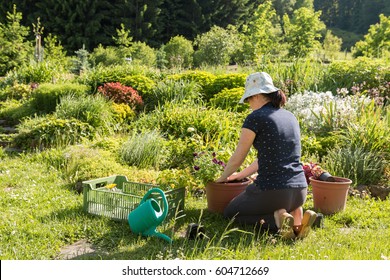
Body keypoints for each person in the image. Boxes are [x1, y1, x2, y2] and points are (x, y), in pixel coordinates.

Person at [216, 72, 317, 239]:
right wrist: (239, 176)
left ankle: (276, 220)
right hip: (300, 191)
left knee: (230, 213)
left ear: (256, 96)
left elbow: (238, 157)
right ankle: (298, 222)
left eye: (248, 99)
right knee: (285, 205)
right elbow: (267, 156)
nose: (248, 104)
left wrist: (222, 178)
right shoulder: (290, 116)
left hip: (272, 191)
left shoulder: (255, 118)